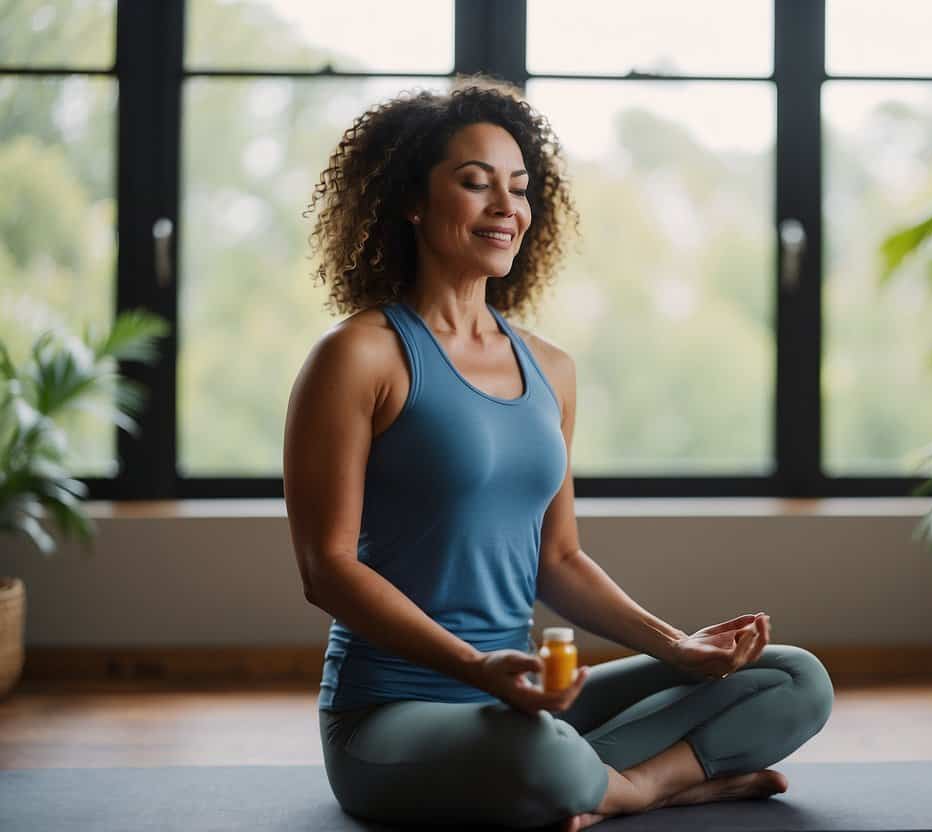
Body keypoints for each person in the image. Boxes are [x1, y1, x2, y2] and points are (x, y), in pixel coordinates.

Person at [283, 74, 834, 831]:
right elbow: (328, 569)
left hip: (526, 698)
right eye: (475, 184)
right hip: (390, 716)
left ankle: (600, 787)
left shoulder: (549, 368)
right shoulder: (359, 357)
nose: (505, 207)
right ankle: (643, 787)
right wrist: (476, 668)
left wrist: (677, 646)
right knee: (540, 755)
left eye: (519, 186)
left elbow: (560, 559)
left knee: (793, 680)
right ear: (412, 200)